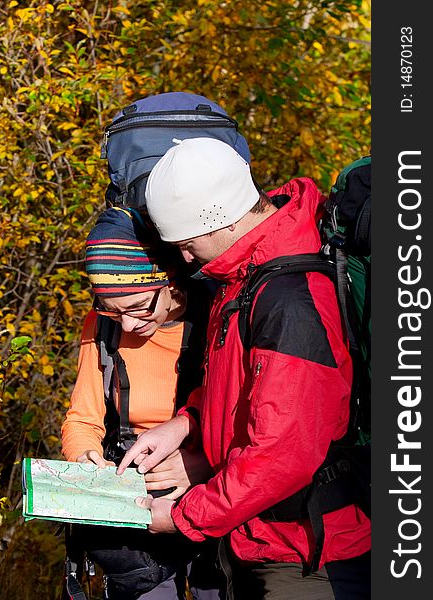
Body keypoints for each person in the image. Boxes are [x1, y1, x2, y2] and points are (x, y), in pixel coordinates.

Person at [117, 138, 372, 599]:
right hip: (256, 537)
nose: (187, 259)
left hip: (307, 555)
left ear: (221, 219)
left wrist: (184, 517)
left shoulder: (290, 300)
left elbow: (284, 453)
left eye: (188, 244)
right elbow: (239, 389)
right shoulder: (245, 277)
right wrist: (184, 425)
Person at [61, 205, 225, 600]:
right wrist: (86, 463)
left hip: (215, 492)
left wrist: (202, 464)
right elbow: (82, 419)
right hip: (132, 505)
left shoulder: (218, 316)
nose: (130, 325)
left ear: (171, 283)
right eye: (114, 312)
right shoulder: (102, 327)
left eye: (138, 307)